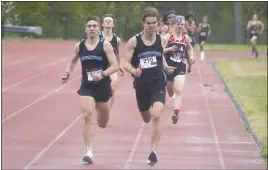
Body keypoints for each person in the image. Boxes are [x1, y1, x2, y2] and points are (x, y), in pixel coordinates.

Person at [60, 16, 118, 164]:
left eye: (94, 26)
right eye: (89, 26)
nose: (92, 28)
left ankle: (102, 112)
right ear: (85, 29)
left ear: (98, 28)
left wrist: (103, 74)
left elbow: (115, 66)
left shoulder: (105, 46)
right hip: (87, 87)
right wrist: (67, 73)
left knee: (103, 123)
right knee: (87, 115)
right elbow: (73, 60)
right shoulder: (79, 46)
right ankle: (89, 151)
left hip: (103, 87)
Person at [123, 7, 176, 166]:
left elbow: (160, 55)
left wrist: (165, 66)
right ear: (143, 23)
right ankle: (146, 115)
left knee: (157, 114)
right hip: (141, 86)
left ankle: (153, 151)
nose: (152, 26)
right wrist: (134, 70)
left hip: (158, 82)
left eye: (154, 23)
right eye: (149, 23)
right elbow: (125, 62)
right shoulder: (134, 41)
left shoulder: (162, 39)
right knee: (146, 116)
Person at [163, 15, 195, 124]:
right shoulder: (168, 37)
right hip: (168, 67)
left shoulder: (185, 38)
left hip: (180, 67)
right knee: (170, 91)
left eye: (182, 24)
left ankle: (176, 113)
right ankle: (172, 95)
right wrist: (169, 49)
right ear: (174, 24)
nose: (180, 26)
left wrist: (191, 57)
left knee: (178, 90)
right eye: (178, 24)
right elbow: (160, 51)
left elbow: (190, 48)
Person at [99, 13, 124, 108]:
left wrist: (119, 65)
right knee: (99, 90)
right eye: (106, 21)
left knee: (112, 88)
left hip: (112, 67)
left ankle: (108, 111)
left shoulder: (117, 40)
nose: (108, 22)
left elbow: (117, 53)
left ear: (113, 25)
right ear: (103, 24)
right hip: (99, 66)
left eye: (110, 21)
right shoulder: (97, 37)